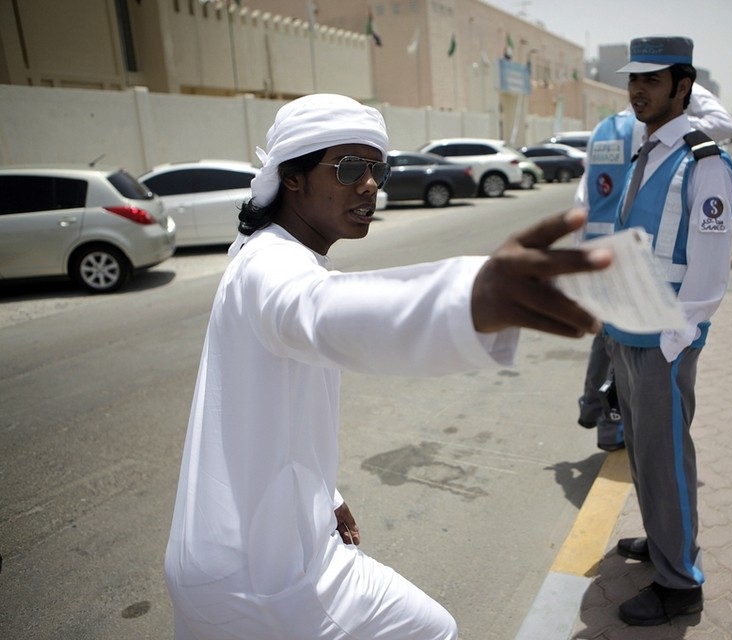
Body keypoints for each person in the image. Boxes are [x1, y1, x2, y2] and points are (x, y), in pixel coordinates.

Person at [163, 93, 611, 640]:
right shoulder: (271, 266)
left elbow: (273, 413)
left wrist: (323, 495)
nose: (370, 184)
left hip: (256, 556)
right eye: (350, 167)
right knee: (434, 631)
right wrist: (472, 297)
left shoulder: (274, 253)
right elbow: (321, 313)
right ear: (294, 177)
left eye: (379, 168)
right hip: (263, 579)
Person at [595, 37, 732, 626]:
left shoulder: (704, 163)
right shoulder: (647, 149)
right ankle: (663, 545)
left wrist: (672, 341)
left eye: (652, 80)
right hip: (628, 331)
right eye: (634, 79)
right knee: (646, 458)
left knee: (667, 460)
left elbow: (708, 274)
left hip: (663, 341)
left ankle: (680, 582)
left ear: (684, 86)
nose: (638, 90)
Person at [575, 82, 732, 451]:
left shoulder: (602, 130)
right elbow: (725, 124)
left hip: (597, 250)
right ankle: (608, 420)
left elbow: (583, 198)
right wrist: (688, 85)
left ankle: (594, 408)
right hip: (632, 256)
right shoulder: (653, 134)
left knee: (608, 338)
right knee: (619, 349)